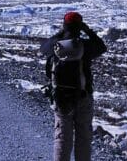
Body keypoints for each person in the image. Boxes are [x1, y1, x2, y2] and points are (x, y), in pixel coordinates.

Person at [40, 11, 107, 161]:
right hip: (83, 96)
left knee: (62, 137)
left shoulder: (55, 46)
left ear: (65, 25)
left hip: (61, 98)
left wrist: (62, 32)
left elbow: (43, 47)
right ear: (80, 26)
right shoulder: (85, 46)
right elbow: (102, 47)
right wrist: (88, 31)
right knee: (83, 137)